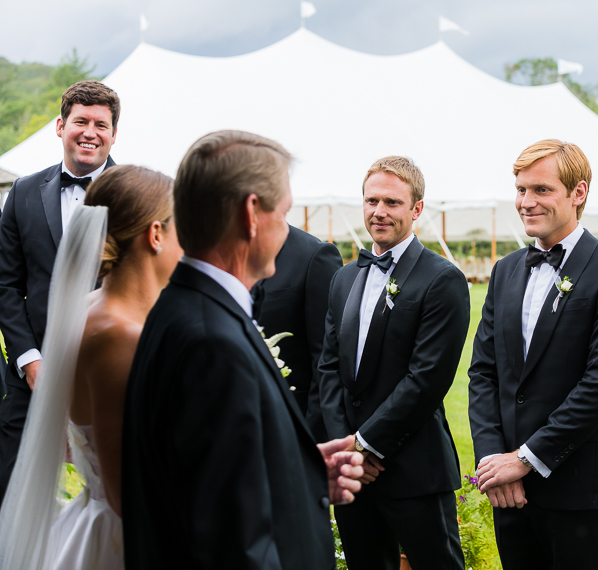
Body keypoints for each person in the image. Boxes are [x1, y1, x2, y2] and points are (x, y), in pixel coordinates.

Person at [122, 130, 364, 569]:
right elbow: (232, 542)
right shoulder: (210, 342)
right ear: (252, 214)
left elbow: (210, 475)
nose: (289, 230)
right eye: (286, 212)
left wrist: (298, 469)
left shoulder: (184, 307)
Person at [468, 139, 598, 570]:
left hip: (578, 489)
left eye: (541, 190)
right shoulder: (506, 269)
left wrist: (525, 460)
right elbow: (484, 372)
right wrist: (494, 461)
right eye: (521, 189)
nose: (526, 202)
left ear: (578, 193)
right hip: (509, 492)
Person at [0, 165, 181, 569]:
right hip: (130, 542)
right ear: (156, 235)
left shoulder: (90, 311)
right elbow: (126, 491)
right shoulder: (120, 335)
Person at [318, 156, 469, 570]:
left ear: (417, 208)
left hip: (415, 468)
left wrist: (366, 445)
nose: (379, 212)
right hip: (353, 474)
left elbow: (427, 379)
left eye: (392, 202)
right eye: (371, 201)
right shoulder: (344, 277)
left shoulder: (442, 280)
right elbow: (329, 368)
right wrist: (346, 449)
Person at [0, 80, 120, 501]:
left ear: (113, 134)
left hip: (111, 369)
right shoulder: (23, 192)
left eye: (101, 125)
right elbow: (5, 284)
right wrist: (30, 361)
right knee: (13, 488)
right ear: (59, 127)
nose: (90, 132)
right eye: (80, 121)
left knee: (114, 491)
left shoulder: (134, 196)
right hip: (34, 370)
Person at [252, 225, 342, 441]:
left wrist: (310, 443)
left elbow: (326, 362)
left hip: (292, 429)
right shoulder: (213, 251)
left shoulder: (314, 255)